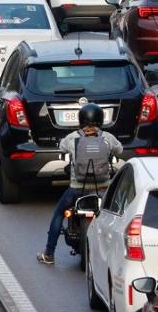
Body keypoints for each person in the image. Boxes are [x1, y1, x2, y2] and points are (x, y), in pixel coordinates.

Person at [38, 103, 123, 266]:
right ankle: (119, 257)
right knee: (118, 216)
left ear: (80, 121)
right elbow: (119, 150)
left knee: (58, 214)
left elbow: (62, 148)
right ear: (100, 120)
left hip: (77, 188)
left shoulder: (72, 138)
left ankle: (49, 254)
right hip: (103, 189)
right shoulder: (107, 138)